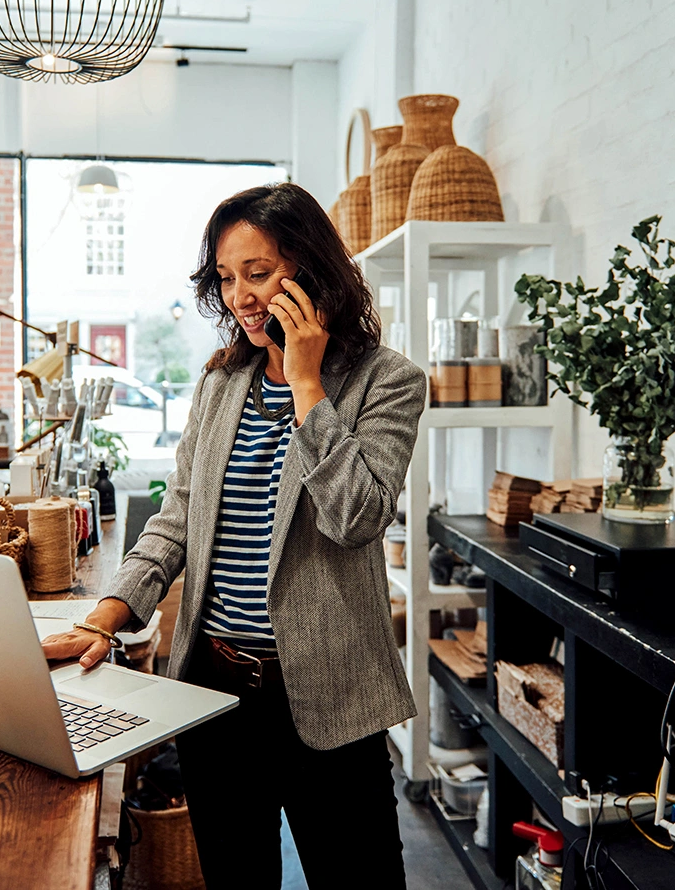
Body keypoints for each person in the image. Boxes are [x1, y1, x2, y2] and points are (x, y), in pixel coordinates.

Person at [41, 183, 425, 888]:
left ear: (310, 270)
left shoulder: (386, 381)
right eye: (226, 277)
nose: (241, 296)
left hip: (331, 699)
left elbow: (357, 517)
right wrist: (109, 613)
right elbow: (176, 518)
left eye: (258, 272)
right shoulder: (222, 385)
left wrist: (307, 386)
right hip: (215, 696)